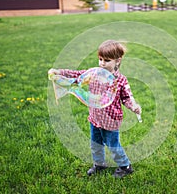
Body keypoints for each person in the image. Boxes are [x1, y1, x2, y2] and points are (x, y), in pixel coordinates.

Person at [48, 40, 141, 178]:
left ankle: (125, 166)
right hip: (95, 118)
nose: (102, 63)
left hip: (111, 121)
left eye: (107, 60)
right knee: (95, 144)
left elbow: (127, 97)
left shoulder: (121, 80)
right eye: (100, 59)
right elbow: (76, 75)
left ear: (117, 61)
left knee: (113, 145)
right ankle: (99, 164)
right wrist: (59, 72)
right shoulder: (94, 74)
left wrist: (134, 106)